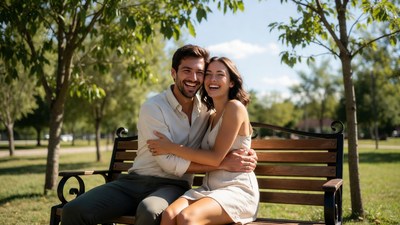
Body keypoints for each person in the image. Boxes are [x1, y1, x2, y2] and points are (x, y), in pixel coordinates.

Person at [61, 44, 258, 225]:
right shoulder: (154, 107)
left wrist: (248, 154)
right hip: (134, 182)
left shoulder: (207, 110)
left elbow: (233, 139)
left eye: (200, 72)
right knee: (74, 210)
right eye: (187, 71)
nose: (194, 78)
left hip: (174, 185)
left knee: (150, 211)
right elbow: (168, 162)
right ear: (174, 73)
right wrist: (223, 163)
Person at [147, 56, 259, 225]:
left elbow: (215, 158)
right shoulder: (209, 115)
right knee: (169, 215)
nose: (212, 79)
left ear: (231, 82)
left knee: (187, 217)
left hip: (236, 188)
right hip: (209, 188)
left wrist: (170, 147)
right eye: (208, 74)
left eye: (220, 74)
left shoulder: (235, 107)